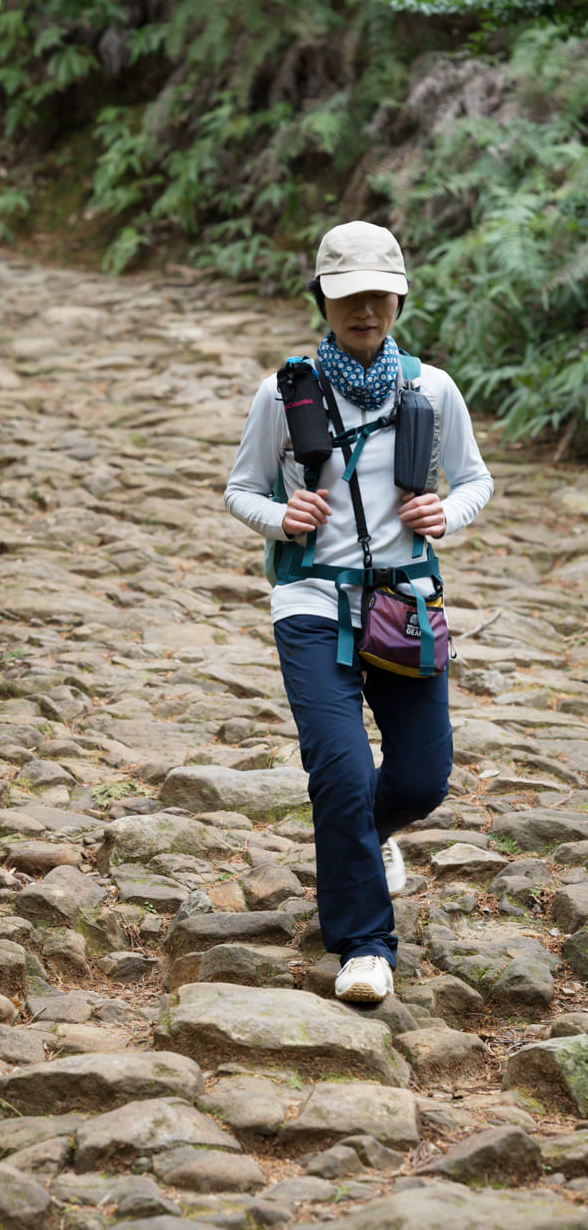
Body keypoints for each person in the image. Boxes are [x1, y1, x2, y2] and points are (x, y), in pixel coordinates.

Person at [224, 222, 493, 1004]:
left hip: (405, 602)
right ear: (323, 299)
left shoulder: (432, 389)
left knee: (422, 776)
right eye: (348, 297)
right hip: (311, 602)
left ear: (400, 297)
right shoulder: (285, 392)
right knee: (340, 775)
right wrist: (283, 518)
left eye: (379, 295)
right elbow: (240, 489)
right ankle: (364, 946)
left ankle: (366, 841)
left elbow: (474, 479)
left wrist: (450, 512)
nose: (365, 310)